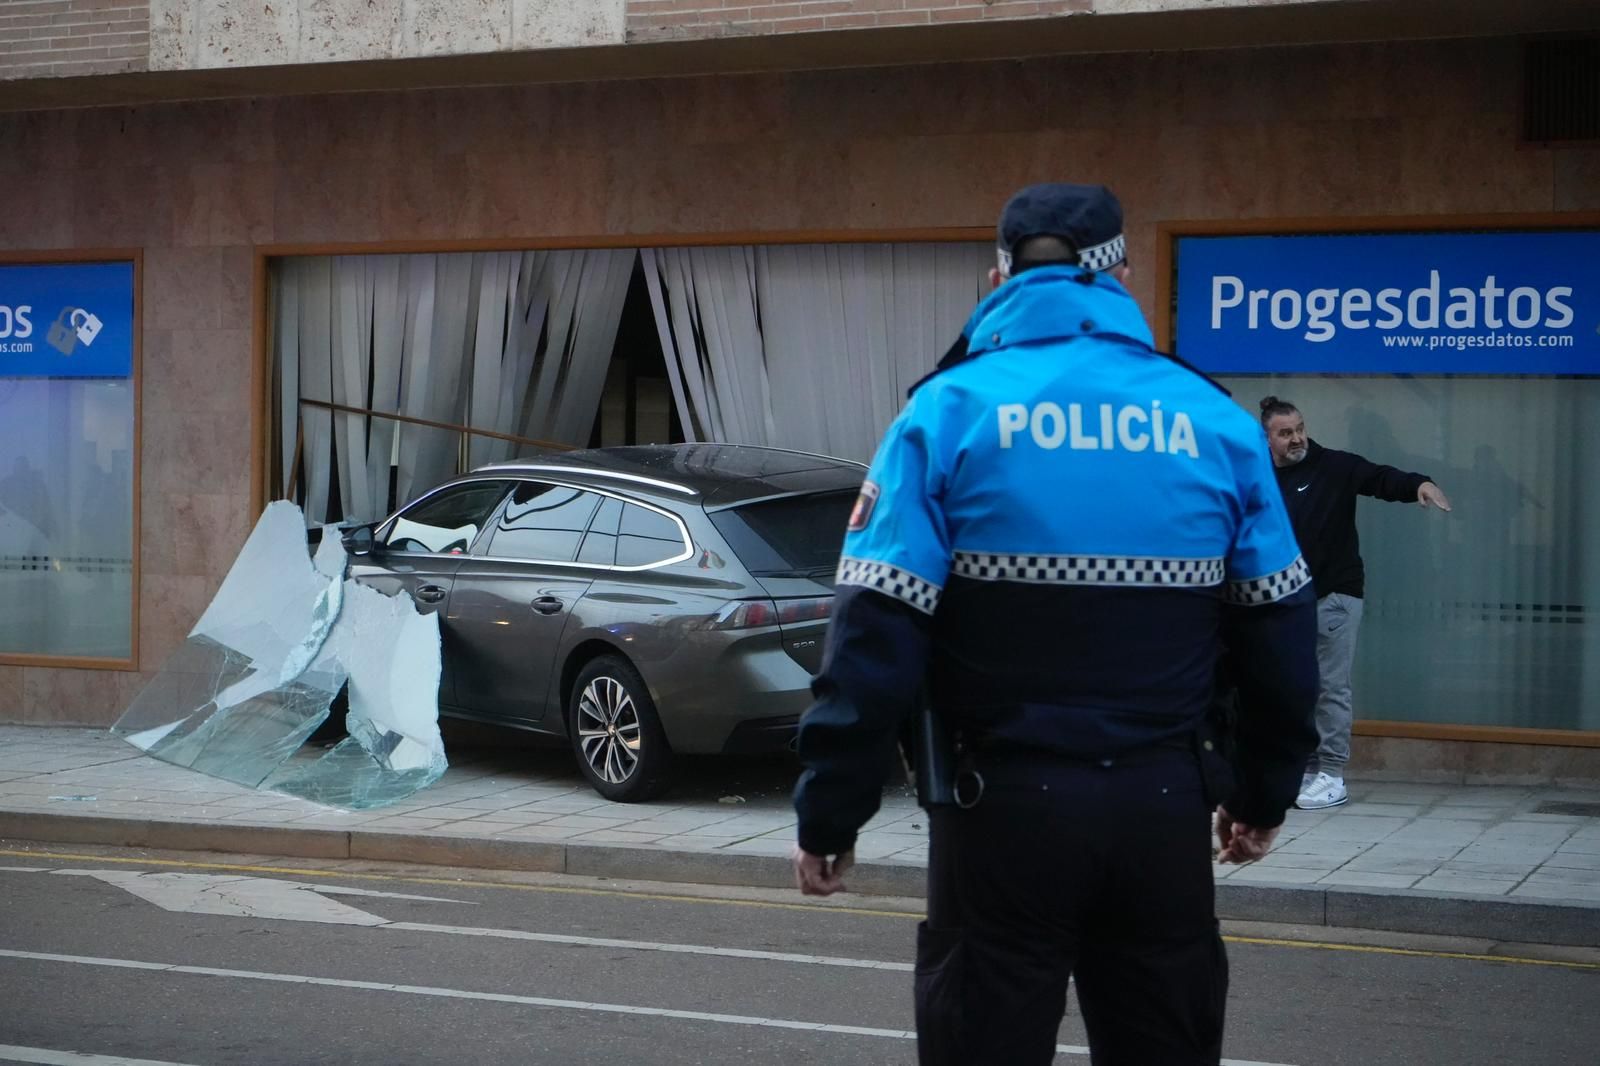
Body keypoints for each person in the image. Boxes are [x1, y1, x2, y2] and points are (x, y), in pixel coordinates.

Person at [791, 182, 1318, 1065]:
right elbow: (1280, 640)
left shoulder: (944, 413)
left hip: (998, 817)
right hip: (1161, 810)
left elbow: (873, 642)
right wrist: (1262, 796)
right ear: (1120, 275)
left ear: (998, 277)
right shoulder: (1216, 422)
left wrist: (829, 814)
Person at [1257, 397, 1452, 812]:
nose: (1297, 438)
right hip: (1286, 603)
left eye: (1300, 428)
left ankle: (1331, 774)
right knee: (1294, 689)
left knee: (1330, 686)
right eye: (1285, 433)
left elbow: (1379, 478)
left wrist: (1420, 485)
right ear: (1267, 438)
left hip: (1333, 597)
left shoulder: (1333, 466)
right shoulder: (1259, 476)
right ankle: (1308, 770)